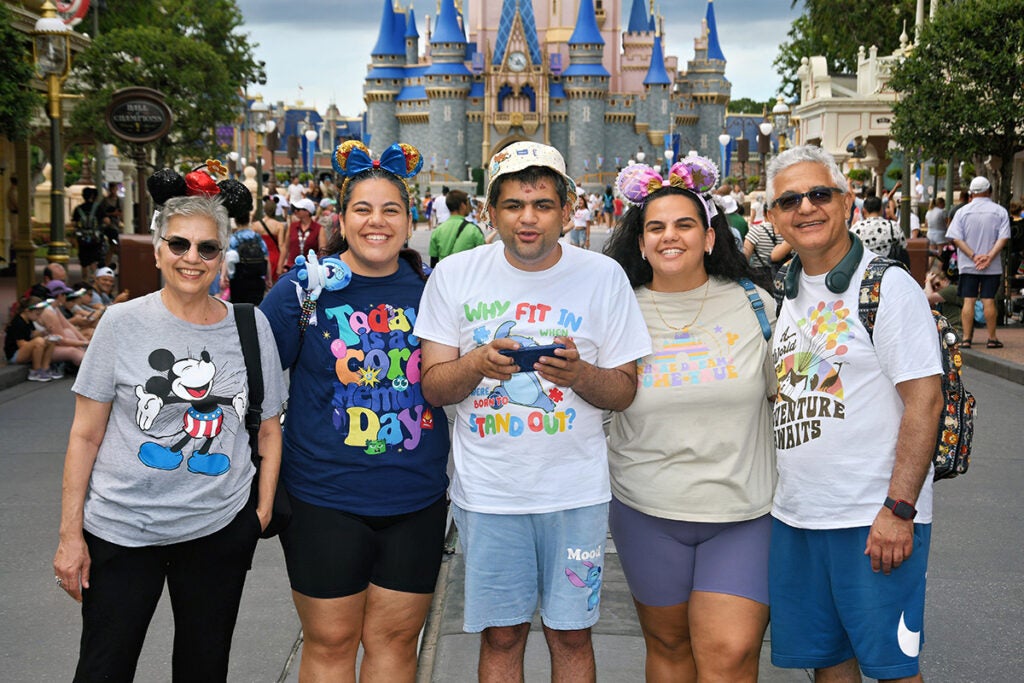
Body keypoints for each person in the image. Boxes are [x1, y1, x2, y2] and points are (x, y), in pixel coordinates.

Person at [414, 141, 651, 682]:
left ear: (567, 211)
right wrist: (476, 364)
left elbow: (624, 391)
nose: (528, 219)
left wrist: (579, 375)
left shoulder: (603, 277)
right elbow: (433, 387)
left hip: (575, 495)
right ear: (490, 212)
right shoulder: (454, 276)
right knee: (502, 635)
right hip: (490, 494)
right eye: (514, 205)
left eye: (542, 204)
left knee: (571, 634)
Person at [52, 191, 285, 681]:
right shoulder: (121, 323)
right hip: (121, 530)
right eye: (179, 244)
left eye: (207, 248)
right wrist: (70, 535)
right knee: (104, 667)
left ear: (222, 257)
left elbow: (267, 428)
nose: (192, 258)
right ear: (158, 250)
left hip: (217, 528)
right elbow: (85, 436)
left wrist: (259, 514)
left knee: (204, 668)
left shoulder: (250, 325)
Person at [260, 141, 450, 682]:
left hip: (415, 498)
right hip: (325, 497)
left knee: (394, 643)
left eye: (391, 209)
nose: (377, 221)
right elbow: (258, 383)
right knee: (332, 643)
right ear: (342, 218)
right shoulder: (303, 290)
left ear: (410, 219)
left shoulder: (434, 289)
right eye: (362, 209)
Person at [765, 145, 943, 683]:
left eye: (819, 194)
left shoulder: (886, 287)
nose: (806, 208)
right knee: (828, 665)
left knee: (891, 669)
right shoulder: (787, 291)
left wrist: (899, 508)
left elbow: (925, 401)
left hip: (872, 518)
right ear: (773, 218)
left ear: (846, 204)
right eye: (789, 200)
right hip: (798, 517)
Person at [603, 158, 776, 681]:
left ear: (708, 237)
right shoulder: (617, 309)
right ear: (640, 242)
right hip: (646, 510)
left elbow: (788, 399)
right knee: (669, 649)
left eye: (684, 225)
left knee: (728, 654)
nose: (669, 236)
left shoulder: (756, 304)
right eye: (655, 227)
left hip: (742, 513)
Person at [946, 176, 1011, 348]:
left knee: (969, 300)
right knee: (988, 299)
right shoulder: (1000, 211)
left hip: (968, 264)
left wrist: (973, 256)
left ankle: (966, 338)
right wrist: (989, 256)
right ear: (989, 190)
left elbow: (956, 238)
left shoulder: (962, 212)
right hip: (992, 265)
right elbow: (1003, 238)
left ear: (971, 193)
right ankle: (992, 338)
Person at [4, 296, 59, 382]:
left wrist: (45, 332)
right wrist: (41, 342)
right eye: (37, 314)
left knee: (51, 341)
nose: (39, 317)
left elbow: (33, 334)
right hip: (15, 355)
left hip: (24, 351)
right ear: (27, 311)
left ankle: (45, 368)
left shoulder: (28, 320)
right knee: (39, 341)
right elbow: (21, 344)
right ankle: (35, 371)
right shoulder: (18, 322)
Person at [428, 189, 482, 267]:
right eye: (467, 203)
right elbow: (483, 260)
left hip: (444, 276)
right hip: (466, 276)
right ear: (462, 205)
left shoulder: (437, 231)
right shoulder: (474, 230)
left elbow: (433, 262)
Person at [73, 187, 105, 282]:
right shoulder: (98, 207)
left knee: (84, 262)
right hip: (95, 239)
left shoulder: (78, 209)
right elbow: (105, 221)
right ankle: (96, 281)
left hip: (82, 239)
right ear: (92, 196)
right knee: (94, 260)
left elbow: (75, 224)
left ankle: (85, 281)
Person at [281, 197, 320, 273]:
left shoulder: (318, 228)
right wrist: (280, 265)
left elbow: (322, 251)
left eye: (298, 209)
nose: (295, 211)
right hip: (291, 268)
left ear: (307, 212)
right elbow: (285, 247)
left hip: (310, 270)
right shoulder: (292, 226)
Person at [254, 197, 286, 284]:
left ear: (264, 209)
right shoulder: (279, 226)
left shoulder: (255, 225)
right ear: (275, 210)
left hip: (260, 257)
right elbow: (282, 246)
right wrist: (280, 265)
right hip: (275, 257)